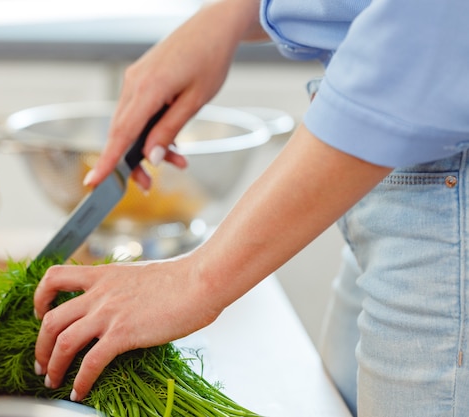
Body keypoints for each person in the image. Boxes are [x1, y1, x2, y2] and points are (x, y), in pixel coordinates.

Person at [32, 0, 469, 415]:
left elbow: (424, 41)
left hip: (445, 186)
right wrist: (228, 16)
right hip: (381, 174)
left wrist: (196, 278)